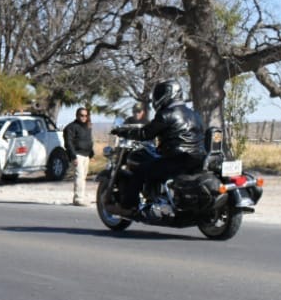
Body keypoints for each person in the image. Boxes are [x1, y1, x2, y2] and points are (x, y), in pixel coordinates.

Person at [111, 80, 206, 215]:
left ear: (169, 94)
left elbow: (145, 133)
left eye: (160, 93)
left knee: (140, 170)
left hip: (176, 159)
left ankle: (128, 206)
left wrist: (123, 132)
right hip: (198, 158)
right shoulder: (194, 114)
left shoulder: (166, 114)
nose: (157, 96)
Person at [62, 107, 95, 206]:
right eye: (81, 115)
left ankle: (80, 197)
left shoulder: (87, 127)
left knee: (83, 177)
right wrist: (73, 156)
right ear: (77, 115)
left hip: (86, 155)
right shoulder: (70, 127)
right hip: (77, 155)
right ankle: (78, 199)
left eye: (86, 115)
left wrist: (91, 153)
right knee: (79, 176)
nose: (84, 117)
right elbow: (68, 143)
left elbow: (89, 141)